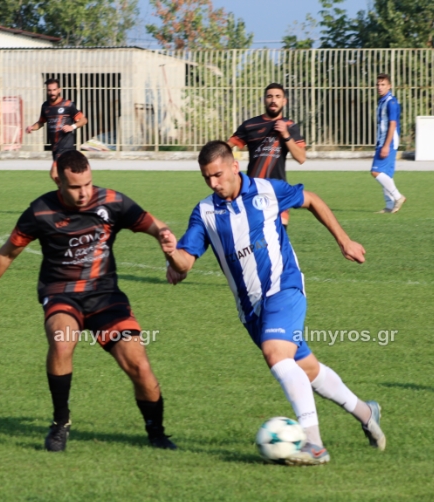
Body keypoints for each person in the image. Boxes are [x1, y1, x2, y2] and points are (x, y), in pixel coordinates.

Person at [160, 141, 386, 466]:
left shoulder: (267, 190)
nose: (213, 183)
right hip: (251, 310)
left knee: (276, 354)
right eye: (207, 178)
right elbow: (184, 264)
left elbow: (311, 200)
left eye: (218, 175)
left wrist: (344, 240)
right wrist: (171, 253)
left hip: (285, 288)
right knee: (306, 369)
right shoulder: (205, 212)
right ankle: (366, 412)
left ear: (234, 166)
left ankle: (315, 445)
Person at [0, 150, 177, 452]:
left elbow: (152, 224)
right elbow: (7, 252)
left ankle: (157, 432)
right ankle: (61, 423)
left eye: (87, 184)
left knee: (139, 366)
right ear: (59, 180)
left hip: (105, 295)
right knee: (61, 339)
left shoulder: (111, 201)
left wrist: (165, 238)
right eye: (75, 187)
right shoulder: (40, 211)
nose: (84, 193)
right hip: (61, 292)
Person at [227, 83, 306, 228]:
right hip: (252, 190)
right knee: (253, 242)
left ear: (284, 101)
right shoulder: (250, 125)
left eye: (278, 96)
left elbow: (301, 157)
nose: (273, 100)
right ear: (264, 100)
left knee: (279, 240)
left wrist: (285, 135)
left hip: (278, 191)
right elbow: (227, 147)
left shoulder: (290, 126)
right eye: (269, 96)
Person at [25, 78, 88, 183]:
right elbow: (41, 122)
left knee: (54, 173)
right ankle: (69, 193)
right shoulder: (45, 106)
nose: (52, 93)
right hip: (55, 147)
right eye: (49, 90)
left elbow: (83, 120)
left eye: (54, 90)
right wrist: (32, 127)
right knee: (65, 174)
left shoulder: (68, 105)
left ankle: (64, 194)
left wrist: (72, 127)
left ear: (59, 90)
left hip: (65, 146)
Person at [372, 74, 405, 213]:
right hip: (384, 141)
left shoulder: (391, 102)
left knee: (376, 171)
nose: (380, 87)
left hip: (388, 142)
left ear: (389, 86)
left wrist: (386, 145)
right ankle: (389, 206)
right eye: (378, 84)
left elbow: (392, 124)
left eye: (383, 84)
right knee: (386, 175)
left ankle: (398, 197)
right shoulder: (383, 101)